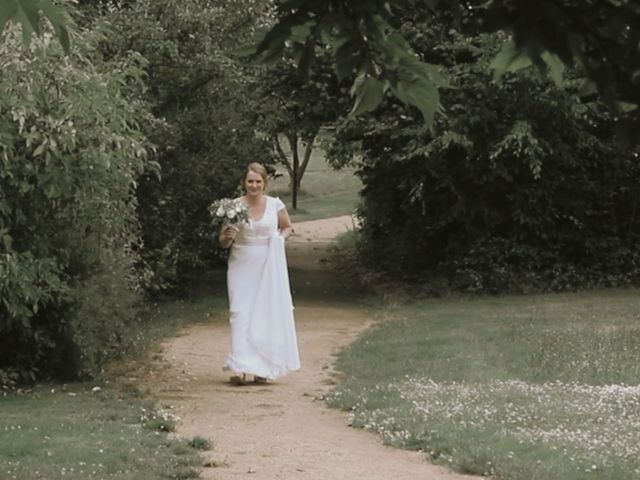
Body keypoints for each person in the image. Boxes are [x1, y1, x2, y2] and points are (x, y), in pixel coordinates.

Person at [218, 162, 301, 385]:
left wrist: (278, 240)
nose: (254, 185)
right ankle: (239, 366)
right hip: (241, 262)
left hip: (267, 263)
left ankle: (262, 367)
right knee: (240, 311)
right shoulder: (234, 206)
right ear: (244, 183)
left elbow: (287, 227)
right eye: (250, 181)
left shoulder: (275, 205)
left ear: (265, 183)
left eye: (258, 181)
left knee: (264, 312)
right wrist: (227, 237)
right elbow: (223, 242)